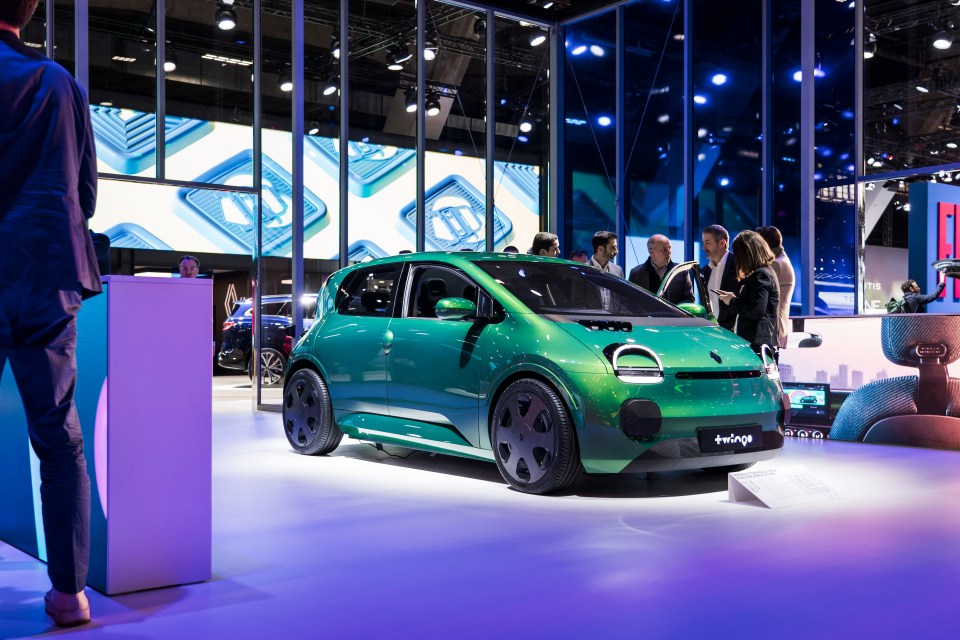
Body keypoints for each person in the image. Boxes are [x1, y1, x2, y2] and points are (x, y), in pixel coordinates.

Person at [1, 0, 100, 626]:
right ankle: (70, 596)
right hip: (45, 274)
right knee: (59, 437)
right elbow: (84, 194)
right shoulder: (59, 84)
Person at [715, 230, 780, 356]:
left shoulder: (761, 275)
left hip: (757, 345)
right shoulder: (764, 273)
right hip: (757, 344)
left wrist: (732, 301)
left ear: (747, 254)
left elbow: (756, 311)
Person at [755, 226, 794, 347]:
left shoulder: (776, 264)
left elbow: (759, 296)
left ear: (765, 244)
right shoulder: (780, 260)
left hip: (770, 328)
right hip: (772, 328)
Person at [628, 234, 694, 305]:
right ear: (651, 252)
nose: (669, 252)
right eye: (664, 249)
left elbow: (689, 299)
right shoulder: (636, 273)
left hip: (674, 316)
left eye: (670, 248)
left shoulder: (681, 271)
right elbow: (630, 301)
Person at [701, 224, 739, 331]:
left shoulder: (739, 266)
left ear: (722, 243)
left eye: (708, 242)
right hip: (712, 331)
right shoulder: (705, 271)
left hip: (735, 333)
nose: (703, 247)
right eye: (703, 243)